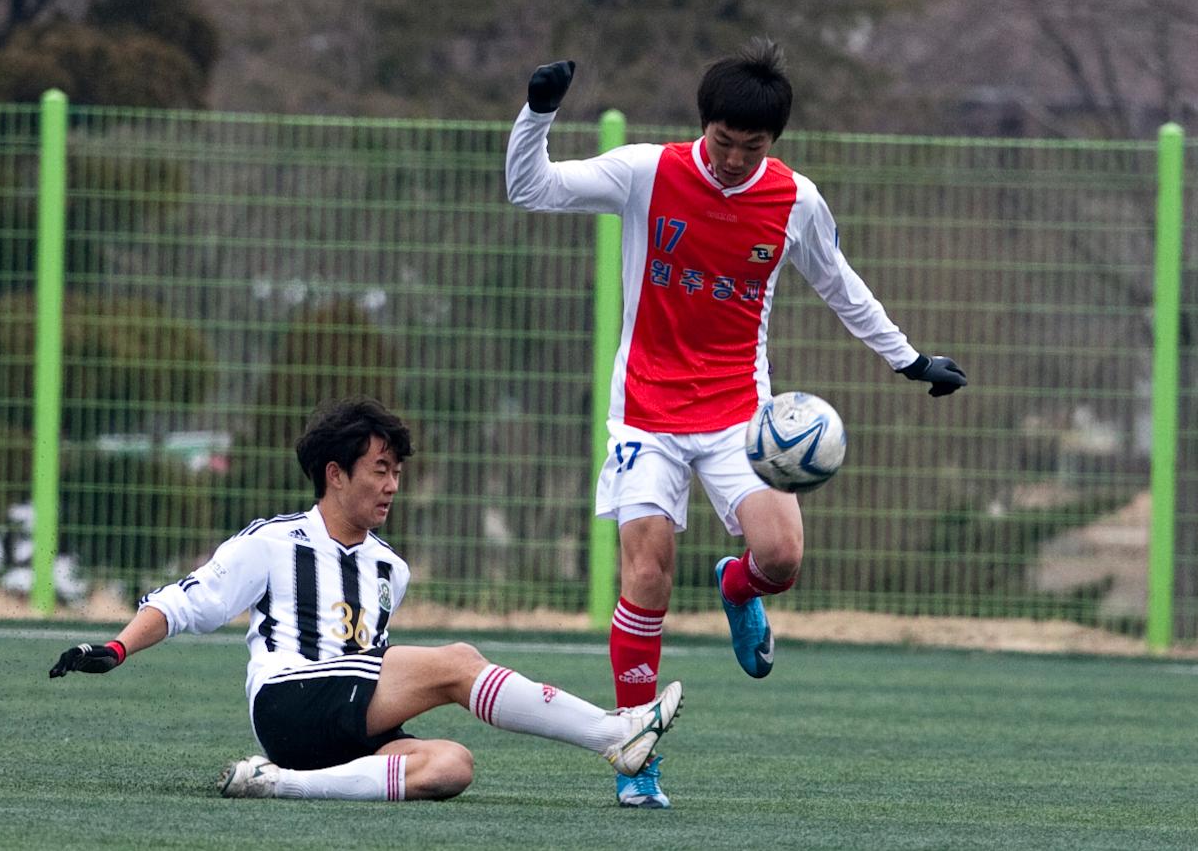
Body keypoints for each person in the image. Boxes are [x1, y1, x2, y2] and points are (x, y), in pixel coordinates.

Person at [506, 40, 966, 808]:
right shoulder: (647, 171)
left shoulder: (795, 202)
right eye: (722, 142)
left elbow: (842, 286)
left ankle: (736, 584)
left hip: (738, 415)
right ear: (704, 126)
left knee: (782, 558)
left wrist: (910, 360)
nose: (731, 159)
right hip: (646, 410)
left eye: (750, 148)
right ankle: (637, 752)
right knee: (646, 571)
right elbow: (530, 186)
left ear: (773, 143)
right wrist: (538, 112)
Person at [49, 397, 682, 802]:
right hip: (291, 702)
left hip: (339, 727)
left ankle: (282, 785)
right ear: (335, 474)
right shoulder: (274, 542)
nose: (391, 485)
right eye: (379, 469)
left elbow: (375, 662)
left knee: (451, 767)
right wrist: (117, 646)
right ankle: (611, 734)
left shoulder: (390, 568)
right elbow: (187, 601)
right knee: (460, 661)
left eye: (397, 472)